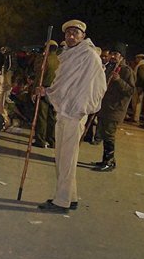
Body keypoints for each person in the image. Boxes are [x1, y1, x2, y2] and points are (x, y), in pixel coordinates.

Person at [36, 19, 106, 213]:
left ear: (83, 35)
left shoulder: (89, 56)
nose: (71, 36)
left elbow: (99, 87)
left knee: (66, 159)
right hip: (64, 111)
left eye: (75, 33)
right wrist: (48, 92)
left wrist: (82, 105)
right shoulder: (68, 54)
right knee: (63, 157)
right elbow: (63, 85)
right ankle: (71, 196)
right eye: (68, 33)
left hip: (75, 113)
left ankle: (61, 201)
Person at [93, 43, 135, 172]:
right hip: (105, 106)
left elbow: (130, 90)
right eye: (112, 53)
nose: (112, 56)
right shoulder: (110, 67)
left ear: (121, 56)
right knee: (104, 134)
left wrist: (119, 80)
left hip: (115, 108)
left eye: (116, 54)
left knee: (109, 135)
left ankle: (109, 162)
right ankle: (106, 159)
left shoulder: (126, 70)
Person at [33, 40, 60, 149]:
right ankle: (52, 139)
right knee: (52, 117)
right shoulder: (60, 60)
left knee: (42, 116)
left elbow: (38, 73)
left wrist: (34, 90)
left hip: (43, 89)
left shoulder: (45, 60)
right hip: (55, 91)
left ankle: (40, 139)